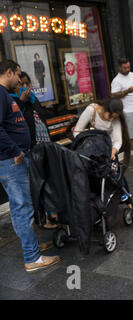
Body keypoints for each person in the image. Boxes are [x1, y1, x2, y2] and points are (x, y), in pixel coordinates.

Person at [0, 59, 60, 272]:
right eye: (17, 74)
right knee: (22, 208)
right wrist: (16, 151)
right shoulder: (0, 93)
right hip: (11, 161)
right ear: (9, 72)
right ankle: (32, 257)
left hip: (15, 159)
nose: (19, 79)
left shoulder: (5, 94)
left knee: (23, 206)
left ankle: (31, 247)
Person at [73, 98, 131, 165]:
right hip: (90, 148)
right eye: (110, 116)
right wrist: (86, 146)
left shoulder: (116, 118)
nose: (111, 120)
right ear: (104, 109)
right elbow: (77, 132)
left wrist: (113, 152)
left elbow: (118, 141)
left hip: (108, 149)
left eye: (114, 118)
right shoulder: (91, 110)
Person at [9, 72, 52, 148]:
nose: (25, 87)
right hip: (29, 145)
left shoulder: (33, 98)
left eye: (27, 83)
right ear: (15, 87)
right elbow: (14, 118)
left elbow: (42, 115)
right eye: (21, 84)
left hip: (45, 142)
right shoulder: (12, 100)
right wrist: (22, 100)